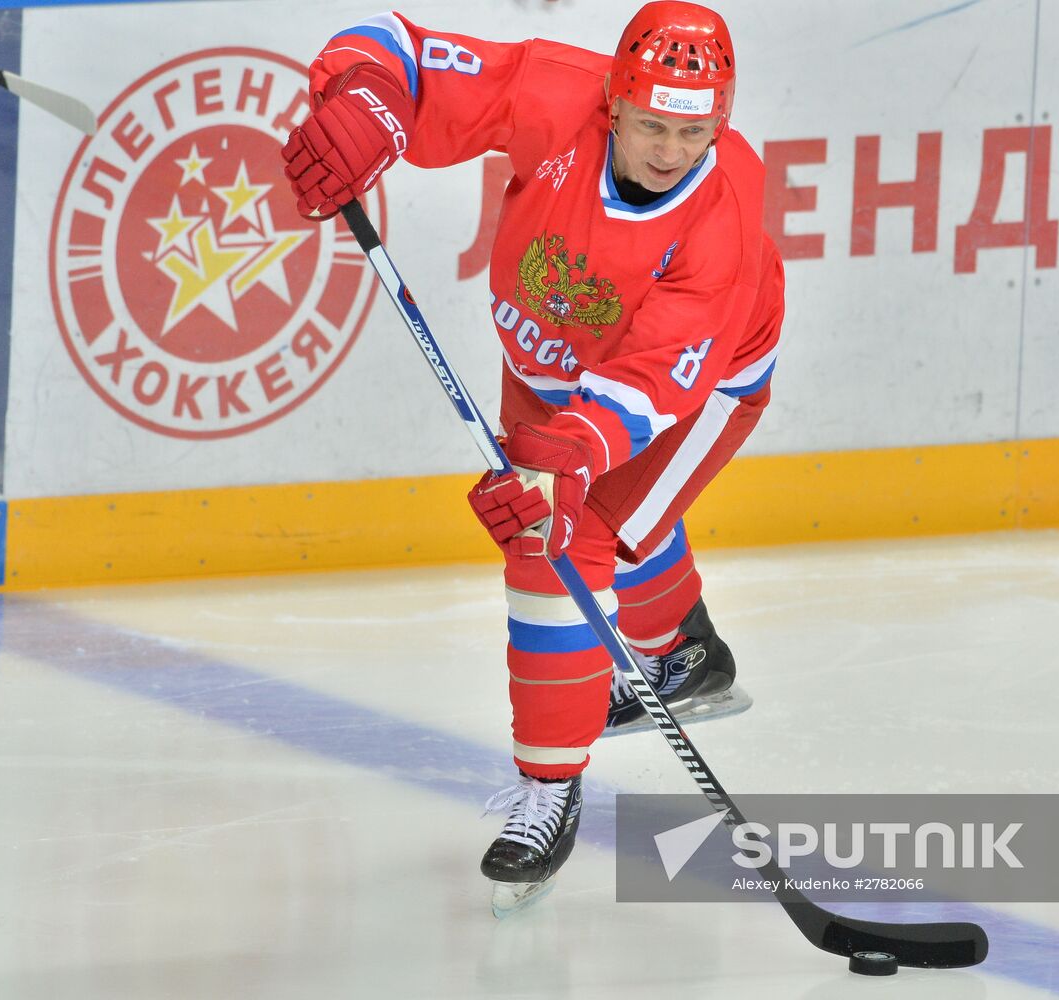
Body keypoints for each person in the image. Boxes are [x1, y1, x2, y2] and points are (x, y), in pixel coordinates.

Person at [282, 1, 784, 913]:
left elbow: (652, 379)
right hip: (545, 363)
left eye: (694, 131)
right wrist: (365, 100)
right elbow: (395, 45)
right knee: (609, 528)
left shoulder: (723, 212)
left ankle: (548, 789)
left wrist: (567, 459)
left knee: (561, 537)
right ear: (612, 104)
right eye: (651, 127)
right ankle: (685, 650)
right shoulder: (560, 92)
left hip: (696, 388)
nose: (672, 150)